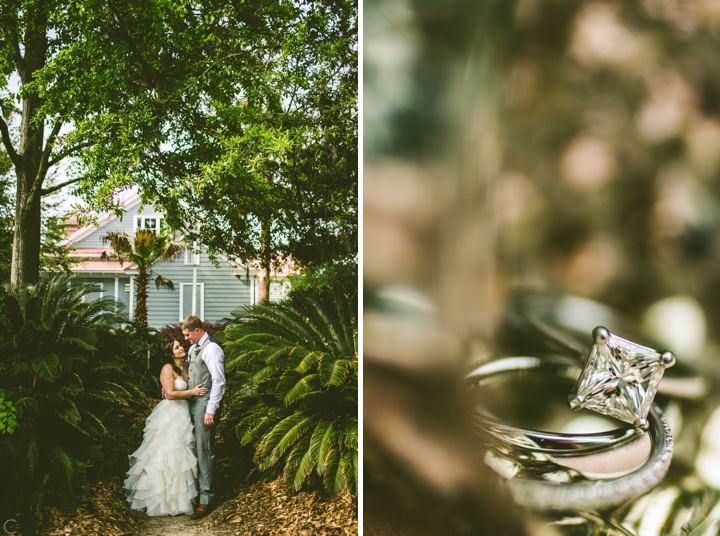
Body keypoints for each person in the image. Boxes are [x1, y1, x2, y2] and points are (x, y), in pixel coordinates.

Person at [124, 338, 209, 516]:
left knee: (182, 456)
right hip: (171, 414)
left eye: (180, 345)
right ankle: (160, 500)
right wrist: (192, 392)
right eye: (176, 347)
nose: (180, 348)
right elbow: (170, 394)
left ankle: (180, 502)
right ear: (170, 353)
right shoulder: (167, 368)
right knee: (166, 455)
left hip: (186, 413)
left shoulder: (188, 366)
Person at [181, 315, 225, 520]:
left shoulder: (211, 349)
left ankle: (207, 499)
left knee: (204, 450)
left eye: (188, 334)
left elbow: (218, 382)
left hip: (204, 406)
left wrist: (210, 410)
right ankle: (197, 493)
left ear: (197, 330)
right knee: (193, 449)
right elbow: (189, 375)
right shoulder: (193, 348)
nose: (186, 338)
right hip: (191, 404)